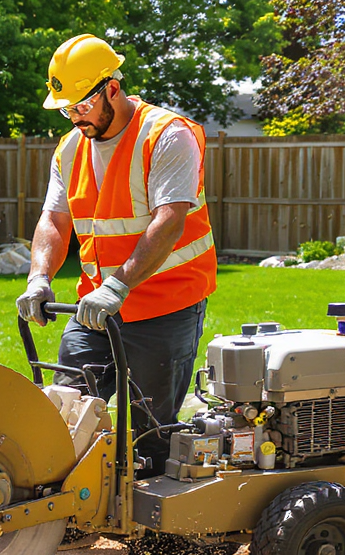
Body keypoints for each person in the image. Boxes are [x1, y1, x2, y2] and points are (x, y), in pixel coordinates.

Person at [16, 34, 217, 467]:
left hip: (167, 304)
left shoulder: (167, 135)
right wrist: (39, 277)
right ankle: (73, 508)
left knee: (151, 425)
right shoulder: (69, 149)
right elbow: (54, 220)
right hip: (98, 306)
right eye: (67, 109)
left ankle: (159, 530)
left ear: (111, 88)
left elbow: (170, 221)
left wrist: (118, 284)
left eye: (81, 107)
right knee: (66, 409)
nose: (75, 118)